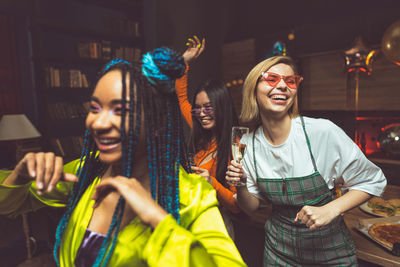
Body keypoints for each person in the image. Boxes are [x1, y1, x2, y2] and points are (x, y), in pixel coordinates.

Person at [0, 48, 246, 267]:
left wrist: (157, 219)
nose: (99, 122)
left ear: (156, 123)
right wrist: (18, 176)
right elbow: (10, 204)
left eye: (121, 110)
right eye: (95, 108)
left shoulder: (190, 196)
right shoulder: (86, 172)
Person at [226, 55, 386, 266]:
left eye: (290, 81)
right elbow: (251, 207)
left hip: (330, 254)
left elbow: (373, 180)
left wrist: (332, 209)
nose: (282, 85)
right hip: (278, 253)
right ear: (253, 89)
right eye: (272, 78)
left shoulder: (321, 132)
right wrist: (242, 186)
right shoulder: (248, 143)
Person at [175, 36, 240, 238]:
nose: (202, 114)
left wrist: (211, 182)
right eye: (198, 109)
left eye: (208, 108)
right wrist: (185, 62)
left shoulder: (235, 145)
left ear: (220, 107)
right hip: (192, 219)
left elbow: (237, 205)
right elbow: (181, 97)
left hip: (217, 225)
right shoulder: (198, 124)